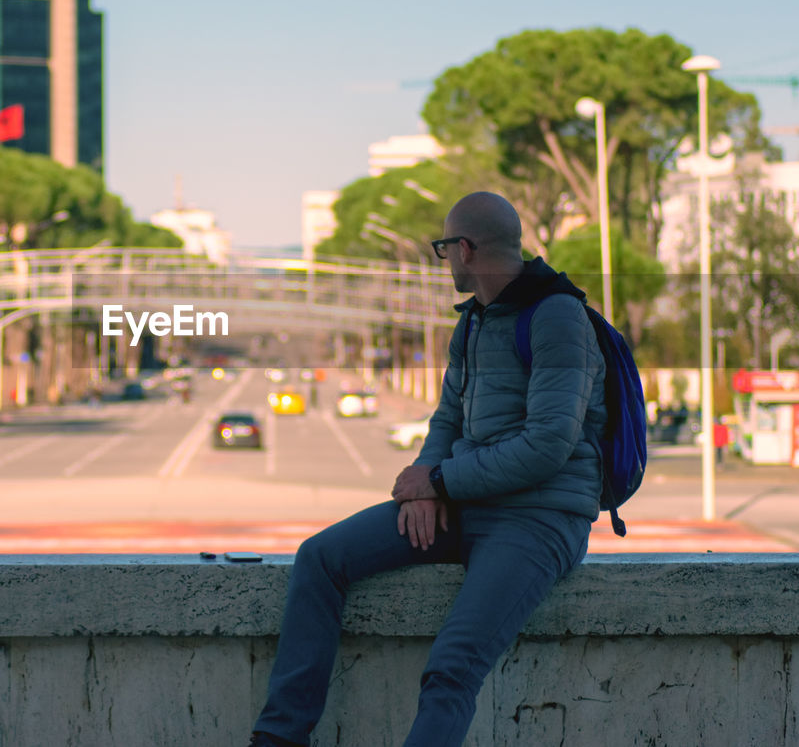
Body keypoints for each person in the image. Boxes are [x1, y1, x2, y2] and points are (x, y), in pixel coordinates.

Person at [249, 192, 608, 747]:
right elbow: (446, 420)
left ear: (464, 250)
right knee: (320, 559)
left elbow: (546, 446)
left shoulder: (558, 317)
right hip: (463, 503)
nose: (444, 262)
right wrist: (425, 483)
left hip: (539, 519)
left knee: (452, 668)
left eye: (443, 249)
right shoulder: (473, 323)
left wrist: (440, 481)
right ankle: (278, 739)